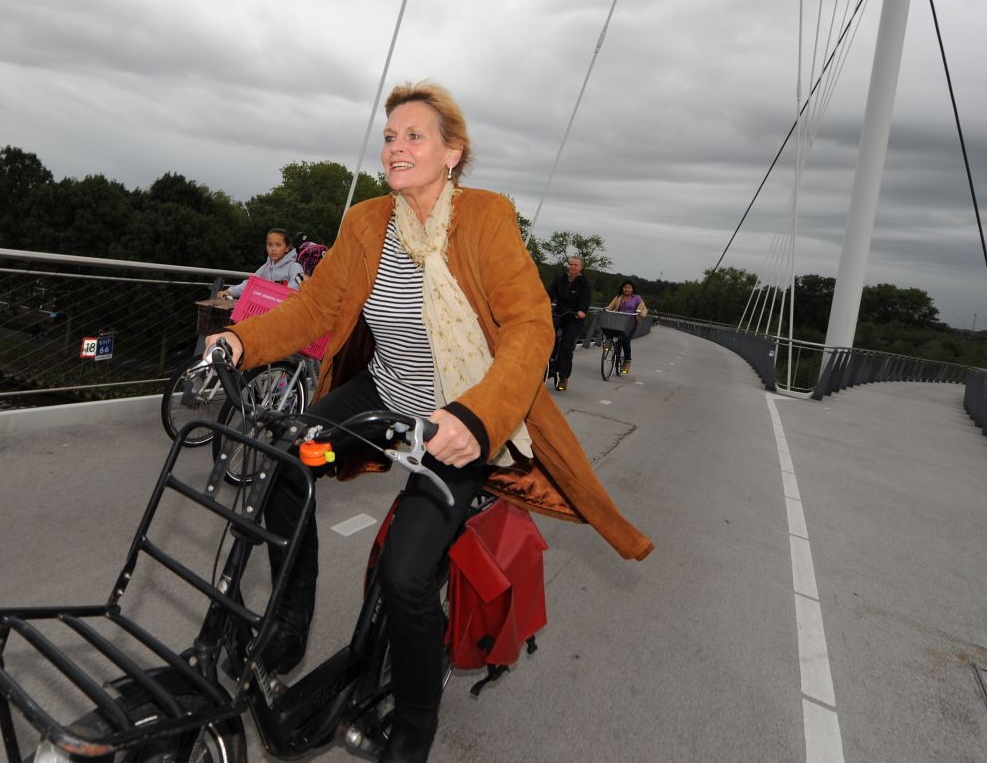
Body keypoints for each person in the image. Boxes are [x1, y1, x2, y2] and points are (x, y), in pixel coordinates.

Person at [203, 81, 653, 762]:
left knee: (405, 574)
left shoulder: (487, 219)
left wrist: (477, 417)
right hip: (381, 395)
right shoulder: (368, 224)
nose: (396, 147)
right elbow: (314, 311)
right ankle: (289, 626)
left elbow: (530, 328)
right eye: (390, 136)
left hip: (459, 418)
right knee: (289, 463)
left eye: (414, 135)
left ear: (452, 153)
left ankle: (415, 726)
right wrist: (244, 341)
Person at [217, 228, 305, 300]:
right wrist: (230, 291)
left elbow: (294, 291)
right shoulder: (266, 268)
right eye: (269, 245)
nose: (273, 249)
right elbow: (250, 283)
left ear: (287, 248)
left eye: (278, 245)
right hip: (267, 313)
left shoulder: (294, 267)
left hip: (285, 315)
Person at [546, 255, 591, 392]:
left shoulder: (583, 283)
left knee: (566, 346)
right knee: (547, 334)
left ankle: (564, 377)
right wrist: (543, 304)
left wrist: (582, 311)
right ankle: (546, 365)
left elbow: (586, 300)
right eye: (571, 264)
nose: (573, 267)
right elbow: (549, 295)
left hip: (575, 318)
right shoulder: (560, 280)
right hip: (559, 314)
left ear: (581, 267)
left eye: (576, 265)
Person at [604, 280, 649, 374]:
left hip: (631, 322)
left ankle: (627, 361)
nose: (627, 289)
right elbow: (610, 307)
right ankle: (609, 342)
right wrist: (606, 309)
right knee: (609, 328)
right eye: (625, 287)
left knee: (625, 340)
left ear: (632, 289)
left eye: (629, 287)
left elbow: (644, 309)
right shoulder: (618, 297)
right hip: (619, 320)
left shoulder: (637, 298)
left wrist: (642, 313)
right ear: (622, 288)